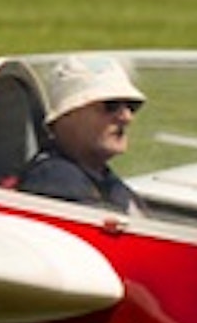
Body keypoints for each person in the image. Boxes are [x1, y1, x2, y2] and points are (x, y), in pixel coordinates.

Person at [18, 54, 147, 214]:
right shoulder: (56, 181)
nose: (127, 117)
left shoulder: (102, 177)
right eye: (111, 105)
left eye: (131, 105)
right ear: (67, 114)